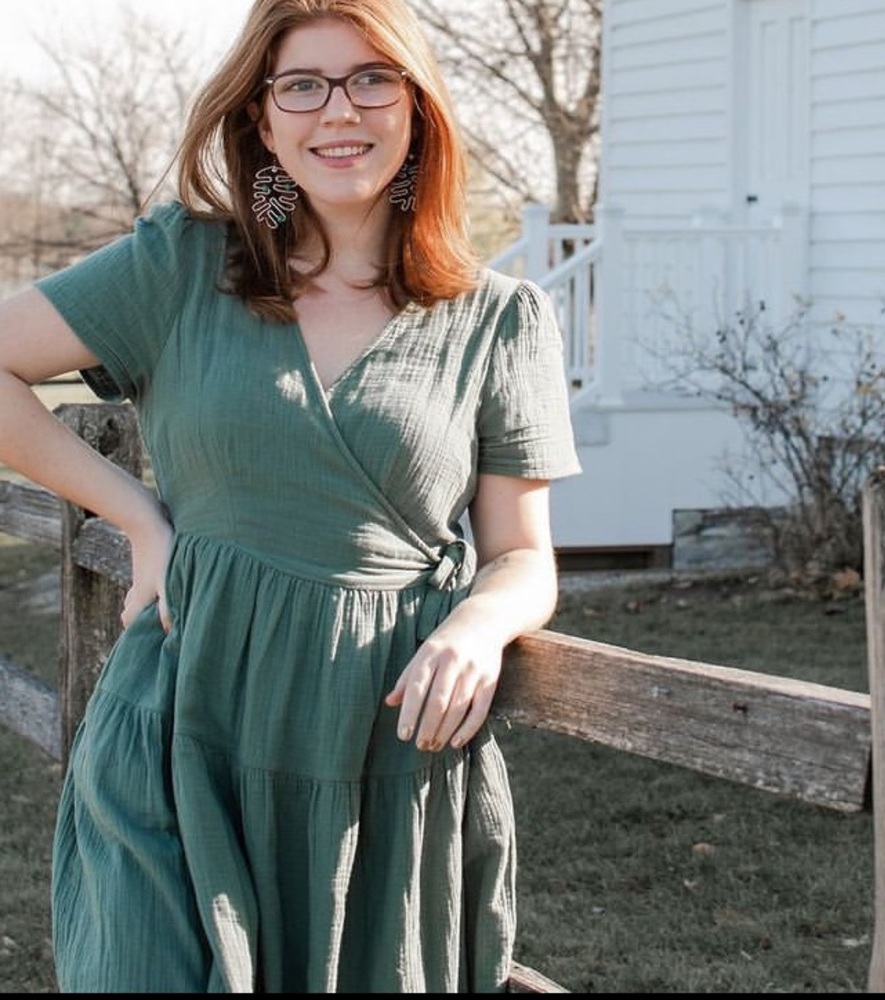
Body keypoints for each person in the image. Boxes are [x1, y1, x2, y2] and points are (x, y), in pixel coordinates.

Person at [0, 0, 581, 991]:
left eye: (371, 79)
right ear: (262, 122)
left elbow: (523, 553)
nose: (338, 111)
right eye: (302, 85)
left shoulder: (500, 320)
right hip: (184, 728)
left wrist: (480, 628)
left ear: (417, 109)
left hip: (376, 750)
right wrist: (138, 517)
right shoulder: (184, 267)